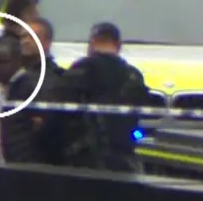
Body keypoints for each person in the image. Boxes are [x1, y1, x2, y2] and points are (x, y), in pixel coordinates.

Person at [56, 22, 150, 172]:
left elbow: (60, 112)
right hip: (124, 158)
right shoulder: (133, 76)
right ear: (119, 45)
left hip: (84, 159)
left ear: (92, 42)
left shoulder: (81, 70)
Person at [0, 38, 45, 164]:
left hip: (21, 161)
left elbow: (39, 125)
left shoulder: (29, 87)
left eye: (4, 62)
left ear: (17, 60)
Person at [20, 18, 66, 165]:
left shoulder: (56, 79)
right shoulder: (10, 73)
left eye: (33, 37)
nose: (26, 41)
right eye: (23, 36)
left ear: (47, 42)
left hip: (40, 157)